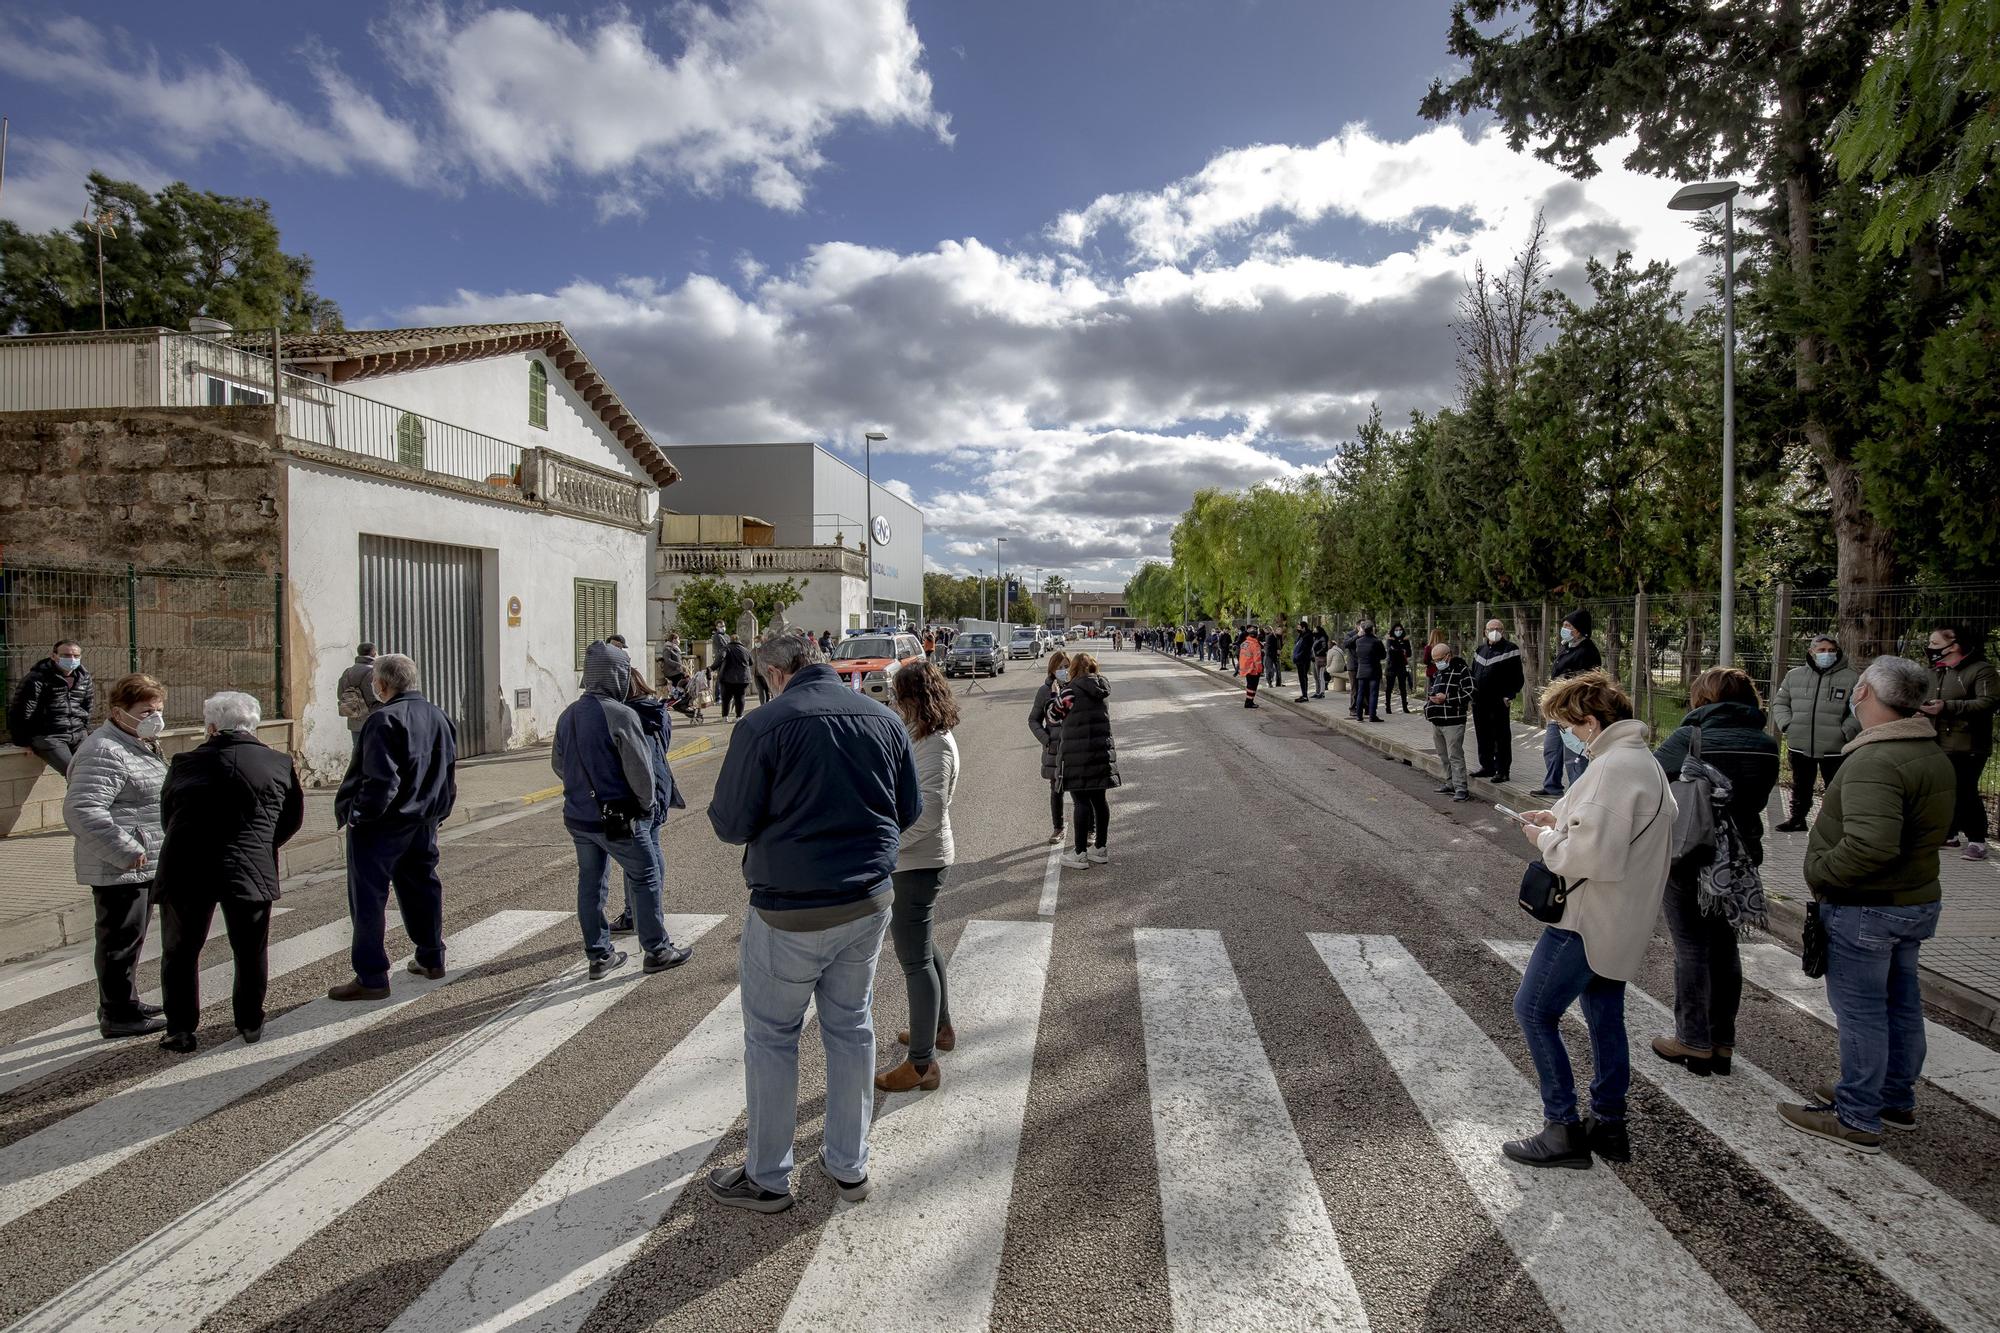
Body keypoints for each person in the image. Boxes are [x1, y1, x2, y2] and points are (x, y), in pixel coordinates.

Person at [705, 630, 921, 1213]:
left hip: (790, 909)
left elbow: (728, 823)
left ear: (774, 674)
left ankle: (769, 1177)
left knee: (773, 1038)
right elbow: (909, 809)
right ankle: (849, 1163)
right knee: (851, 1027)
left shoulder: (763, 726)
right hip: (867, 900)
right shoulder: (882, 718)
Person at [1778, 656, 1953, 1152]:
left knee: (1861, 1012)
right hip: (1912, 899)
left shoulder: (1877, 758)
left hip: (1867, 905)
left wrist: (1819, 873)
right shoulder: (1925, 749)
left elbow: (1871, 844)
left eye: (1859, 686)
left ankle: (1856, 1114)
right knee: (1901, 1001)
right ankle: (1893, 1096)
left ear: (1866, 695)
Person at [1504, 670, 1675, 1169]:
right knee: (1604, 1016)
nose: (1566, 734)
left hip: (1586, 915)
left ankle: (1562, 1128)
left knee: (1534, 1011)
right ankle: (1609, 1123)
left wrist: (1545, 841)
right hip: (1624, 916)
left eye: (1569, 725)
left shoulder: (1612, 767)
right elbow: (1607, 826)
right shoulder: (1642, 761)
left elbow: (1590, 855)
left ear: (1593, 720)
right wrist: (1557, 819)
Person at [154, 691, 304, 1052]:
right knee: (250, 949)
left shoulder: (184, 761)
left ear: (210, 727)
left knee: (181, 950)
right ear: (254, 725)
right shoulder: (279, 763)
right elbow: (291, 820)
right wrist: (261, 846)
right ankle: (250, 1020)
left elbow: (168, 815)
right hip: (249, 866)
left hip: (186, 865)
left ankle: (180, 1029)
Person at [1647, 667, 1779, 1077]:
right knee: (1726, 949)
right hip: (1738, 859)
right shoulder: (1768, 744)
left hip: (1690, 850)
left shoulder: (1691, 738)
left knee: (1690, 947)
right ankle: (1723, 1043)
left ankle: (1692, 1040)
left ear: (1703, 698)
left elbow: (1650, 778)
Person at [554, 642, 691, 978]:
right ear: (616, 674)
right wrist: (645, 807)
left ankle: (599, 956)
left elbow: (559, 764)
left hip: (579, 816)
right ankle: (657, 949)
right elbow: (640, 773)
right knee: (645, 877)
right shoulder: (620, 714)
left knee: (590, 883)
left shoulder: (568, 713)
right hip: (619, 818)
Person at [331, 653, 456, 1001]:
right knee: (422, 888)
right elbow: (449, 771)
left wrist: (358, 815)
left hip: (383, 825)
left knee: (369, 899)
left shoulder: (382, 720)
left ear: (383, 685)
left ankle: (371, 976)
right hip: (424, 820)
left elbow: (380, 781)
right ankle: (431, 957)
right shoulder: (439, 715)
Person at [62, 673, 171, 1039]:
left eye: (158, 709)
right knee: (119, 940)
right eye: (145, 710)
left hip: (141, 861)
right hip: (121, 863)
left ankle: (125, 1001)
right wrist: (125, 848)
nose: (154, 717)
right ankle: (117, 1014)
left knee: (132, 937)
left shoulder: (139, 742)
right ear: (119, 711)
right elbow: (83, 809)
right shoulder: (104, 749)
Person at [878, 661, 960, 1092]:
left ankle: (923, 1063)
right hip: (915, 858)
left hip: (918, 861)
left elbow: (928, 814)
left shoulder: (936, 747)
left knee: (914, 961)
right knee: (925, 949)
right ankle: (939, 1031)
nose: (895, 704)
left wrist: (886, 845)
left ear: (916, 699)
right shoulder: (923, 736)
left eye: (899, 697)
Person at [1922, 623, 1996, 861]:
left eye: (1935, 644)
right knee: (1943, 789)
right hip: (1937, 741)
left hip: (1969, 744)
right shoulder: (1934, 671)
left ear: (1954, 645)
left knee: (1965, 790)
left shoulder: (1981, 670)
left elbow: (1988, 702)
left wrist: (1948, 708)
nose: (1930, 648)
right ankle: (1949, 833)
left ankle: (1977, 840)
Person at [1770, 634, 1860, 831]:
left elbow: (1858, 709)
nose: (1826, 654)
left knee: (1836, 787)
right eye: (1822, 650)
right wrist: (1787, 725)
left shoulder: (1852, 678)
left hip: (1835, 746)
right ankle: (1797, 819)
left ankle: (1838, 824)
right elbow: (1780, 702)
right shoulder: (1794, 676)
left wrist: (1846, 730)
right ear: (1811, 652)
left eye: (1831, 650)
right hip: (1800, 743)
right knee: (1800, 784)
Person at [1050, 652, 1119, 867]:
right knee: (1099, 800)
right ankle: (1100, 847)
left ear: (1074, 669)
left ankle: (1079, 852)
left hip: (1078, 754)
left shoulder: (1070, 691)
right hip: (1101, 753)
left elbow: (1053, 716)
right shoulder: (1102, 690)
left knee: (1080, 801)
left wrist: (1056, 695)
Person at [1533, 608, 1603, 798]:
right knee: (1551, 749)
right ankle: (1551, 786)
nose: (1564, 629)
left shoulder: (1588, 651)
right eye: (1563, 625)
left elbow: (1585, 682)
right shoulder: (1568, 648)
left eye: (1568, 626)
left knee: (1574, 755)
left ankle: (1577, 794)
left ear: (1579, 629)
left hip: (1574, 711)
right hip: (1558, 709)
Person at [8, 638, 94, 778]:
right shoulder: (36, 678)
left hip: (78, 734)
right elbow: (21, 711)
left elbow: (87, 706)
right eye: (66, 655)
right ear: (54, 656)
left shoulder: (84, 678)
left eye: (76, 656)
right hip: (49, 736)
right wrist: (22, 741)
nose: (72, 659)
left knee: (96, 771)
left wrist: (86, 731)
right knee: (75, 773)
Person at [1471, 618, 1525, 783]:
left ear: (1503, 631)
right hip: (1479, 701)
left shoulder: (1510, 649)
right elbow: (1473, 672)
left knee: (1500, 736)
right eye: (1491, 629)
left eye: (1498, 629)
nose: (1494, 631)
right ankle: (1487, 767)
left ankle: (1502, 770)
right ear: (1485, 632)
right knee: (1483, 734)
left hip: (1498, 701)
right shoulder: (1480, 650)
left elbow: (1517, 676)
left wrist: (1509, 695)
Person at [1030, 650, 1073, 845]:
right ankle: (1058, 827)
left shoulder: (1076, 688)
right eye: (1060, 667)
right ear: (1052, 670)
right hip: (1054, 748)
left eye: (1066, 666)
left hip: (1075, 747)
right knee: (1056, 789)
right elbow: (1033, 720)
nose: (1063, 670)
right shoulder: (1044, 691)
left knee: (1082, 790)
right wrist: (1046, 739)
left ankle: (1090, 830)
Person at [1426, 642, 1474, 801]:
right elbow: (1433, 691)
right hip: (1438, 719)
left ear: (1448, 656)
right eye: (1434, 660)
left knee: (1455, 755)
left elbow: (1470, 691)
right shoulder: (1438, 673)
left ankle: (1461, 788)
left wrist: (1448, 698)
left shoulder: (1461, 670)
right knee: (1443, 755)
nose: (1437, 662)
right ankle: (1450, 783)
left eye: (1439, 659)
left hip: (1453, 720)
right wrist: (1431, 702)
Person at [336, 643, 381, 759]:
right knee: (375, 751)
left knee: (357, 750)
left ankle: (357, 775)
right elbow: (379, 696)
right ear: (374, 653)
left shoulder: (348, 672)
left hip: (354, 716)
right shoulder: (375, 672)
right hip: (373, 718)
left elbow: (340, 694)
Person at [1349, 620, 1387, 722]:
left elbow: (1358, 654)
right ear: (1372, 630)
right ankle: (1372, 715)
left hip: (1361, 670)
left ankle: (1359, 716)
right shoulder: (1376, 641)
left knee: (1360, 693)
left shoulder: (1358, 641)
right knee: (1373, 693)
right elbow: (1383, 655)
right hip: (1374, 670)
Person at [717, 634, 753, 719]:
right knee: (740, 697)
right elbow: (751, 662)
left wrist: (712, 668)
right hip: (743, 678)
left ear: (730, 640)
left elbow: (721, 657)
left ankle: (725, 717)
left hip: (727, 678)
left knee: (726, 698)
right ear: (739, 640)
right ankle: (739, 716)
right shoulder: (745, 650)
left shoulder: (726, 648)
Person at [1384, 624, 1415, 714]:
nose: (1398, 631)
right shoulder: (1390, 640)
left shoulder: (1405, 640)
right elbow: (1392, 652)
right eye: (1396, 630)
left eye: (1400, 629)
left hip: (1402, 666)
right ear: (1393, 631)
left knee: (1403, 687)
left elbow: (1409, 653)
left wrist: (1400, 648)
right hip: (1391, 666)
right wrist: (1401, 648)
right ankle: (1388, 707)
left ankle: (1405, 707)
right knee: (1389, 687)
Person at [1238, 625, 1264, 708]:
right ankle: (1249, 702)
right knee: (1253, 686)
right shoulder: (1255, 645)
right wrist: (1260, 669)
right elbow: (1257, 659)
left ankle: (1249, 701)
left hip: (1246, 667)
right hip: (1253, 669)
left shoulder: (1244, 643)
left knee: (1249, 685)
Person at [1291, 618, 1315, 703]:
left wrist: (1298, 656)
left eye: (1299, 627)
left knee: (1303, 677)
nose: (1298, 629)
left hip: (1304, 660)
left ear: (1304, 628)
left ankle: (1305, 695)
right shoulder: (1301, 635)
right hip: (1299, 659)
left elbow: (1305, 649)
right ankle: (1304, 694)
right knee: (1302, 677)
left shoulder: (1308, 636)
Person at [1311, 621, 1331, 698]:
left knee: (1320, 676)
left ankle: (1322, 692)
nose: (1314, 631)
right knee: (1316, 677)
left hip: (1320, 659)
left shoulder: (1322, 638)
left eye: (1315, 630)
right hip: (1315, 659)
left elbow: (1324, 648)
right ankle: (1317, 691)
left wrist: (1317, 653)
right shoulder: (1316, 638)